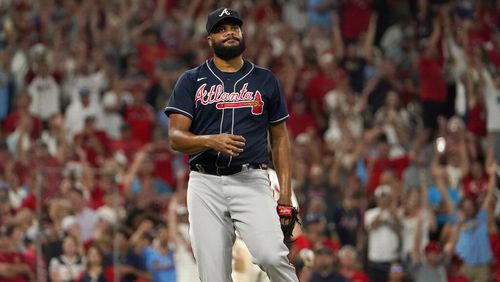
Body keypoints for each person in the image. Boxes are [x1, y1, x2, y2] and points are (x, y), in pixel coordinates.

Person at [165, 7, 299, 282]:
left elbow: (280, 138)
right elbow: (175, 138)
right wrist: (209, 140)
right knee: (213, 276)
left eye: (234, 28)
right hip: (205, 184)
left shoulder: (265, 79)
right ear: (210, 40)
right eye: (221, 29)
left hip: (250, 179)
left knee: (271, 256)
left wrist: (285, 196)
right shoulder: (191, 80)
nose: (230, 33)